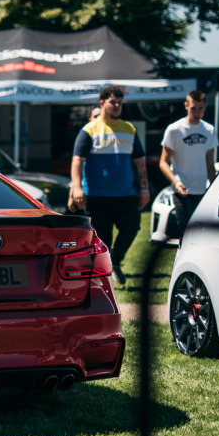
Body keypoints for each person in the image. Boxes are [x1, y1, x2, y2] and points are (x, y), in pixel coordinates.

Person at [68, 85, 149, 288]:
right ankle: (102, 278)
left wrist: (144, 187)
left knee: (132, 227)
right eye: (113, 102)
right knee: (102, 238)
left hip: (126, 194)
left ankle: (116, 261)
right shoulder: (89, 130)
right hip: (97, 196)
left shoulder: (129, 129)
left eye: (120, 103)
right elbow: (77, 160)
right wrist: (77, 188)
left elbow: (140, 162)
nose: (117, 106)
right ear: (102, 103)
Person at [159, 90, 218, 239]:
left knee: (201, 233)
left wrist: (214, 188)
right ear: (186, 106)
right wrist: (176, 183)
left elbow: (209, 162)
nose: (197, 112)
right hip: (182, 189)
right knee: (185, 233)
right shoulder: (174, 129)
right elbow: (163, 163)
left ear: (205, 106)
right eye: (193, 108)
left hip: (201, 189)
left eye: (200, 108)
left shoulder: (209, 130)